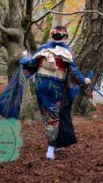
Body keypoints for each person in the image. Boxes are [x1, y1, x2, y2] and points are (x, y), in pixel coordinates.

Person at [19, 25, 91, 160]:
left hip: (40, 86)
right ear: (65, 37)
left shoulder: (43, 48)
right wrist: (85, 80)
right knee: (53, 117)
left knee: (47, 115)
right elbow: (74, 72)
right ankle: (51, 149)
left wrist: (26, 56)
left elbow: (31, 65)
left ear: (52, 35)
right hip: (55, 87)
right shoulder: (68, 51)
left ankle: (57, 143)